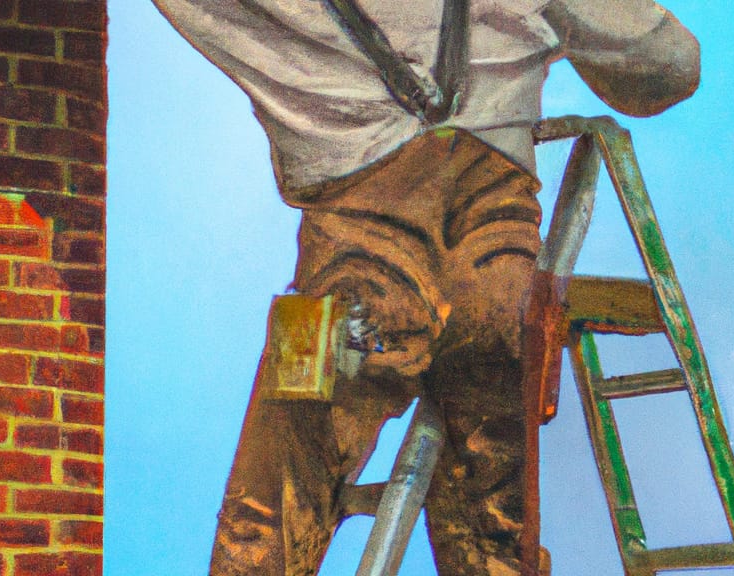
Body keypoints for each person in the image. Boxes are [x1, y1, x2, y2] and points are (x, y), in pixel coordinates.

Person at [150, 1, 699, 574]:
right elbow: (670, 68)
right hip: (494, 279)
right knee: (492, 534)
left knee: (267, 507)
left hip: (347, 287)